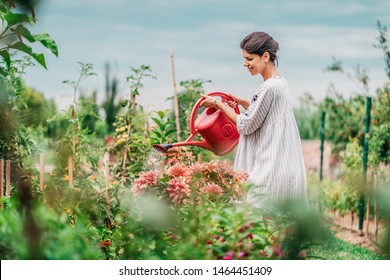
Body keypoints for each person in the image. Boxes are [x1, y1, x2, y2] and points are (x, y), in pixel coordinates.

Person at [200, 31, 308, 210]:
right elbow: (266, 114)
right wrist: (242, 102)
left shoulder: (266, 88)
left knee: (263, 220)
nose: (245, 64)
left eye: (249, 59)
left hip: (270, 166)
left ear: (265, 56)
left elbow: (246, 124)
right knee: (280, 224)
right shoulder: (280, 83)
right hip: (284, 164)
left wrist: (217, 104)